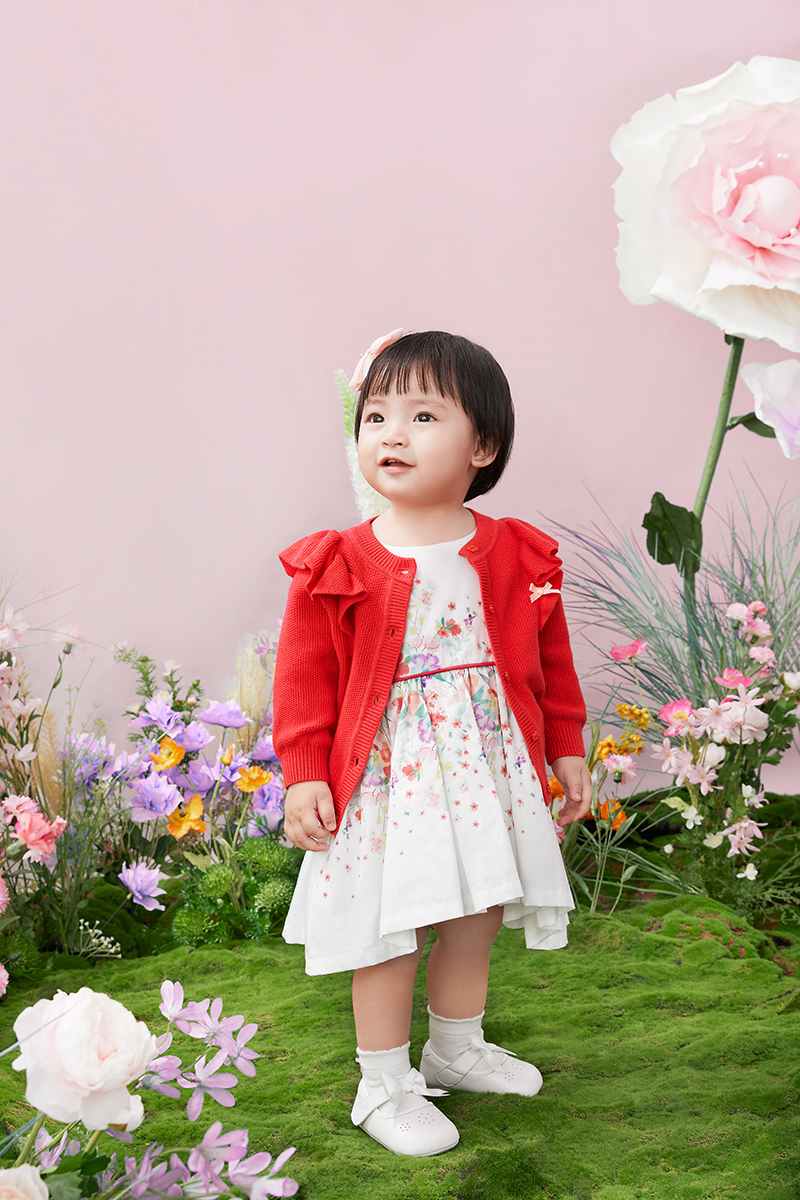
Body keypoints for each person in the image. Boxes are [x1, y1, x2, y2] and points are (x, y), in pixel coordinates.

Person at [272, 329, 592, 1158]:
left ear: (482, 445)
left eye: (422, 416)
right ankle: (381, 1084)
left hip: (485, 771)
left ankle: (455, 1047)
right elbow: (304, 681)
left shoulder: (518, 553)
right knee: (394, 929)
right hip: (390, 779)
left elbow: (551, 664)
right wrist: (303, 774)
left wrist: (566, 746)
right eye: (376, 416)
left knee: (475, 914)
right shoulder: (337, 562)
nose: (393, 434)